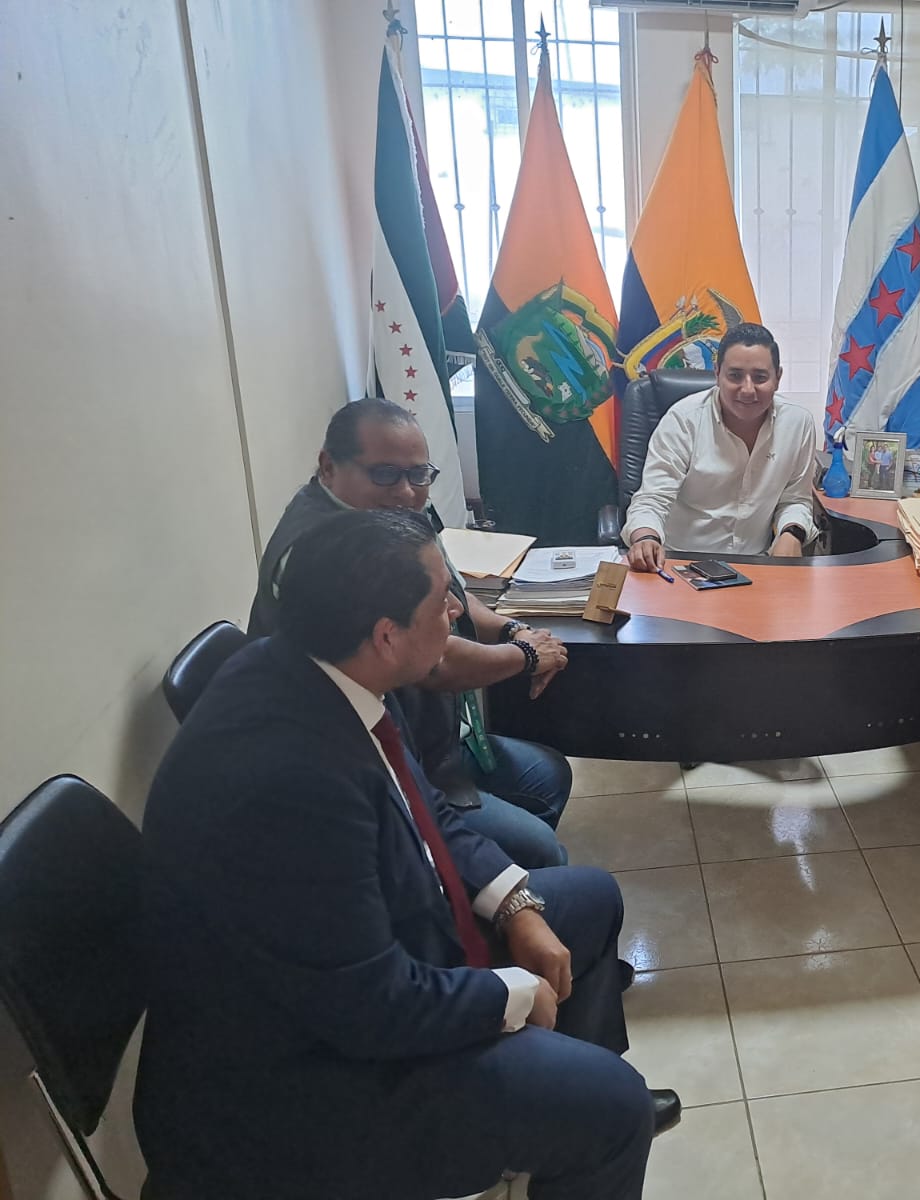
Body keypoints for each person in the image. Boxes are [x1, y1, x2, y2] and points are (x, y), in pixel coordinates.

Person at [136, 510, 679, 1200]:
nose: (455, 608)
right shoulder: (291, 785)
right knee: (613, 1109)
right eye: (440, 599)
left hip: (365, 967)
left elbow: (429, 816)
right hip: (301, 1089)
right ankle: (579, 1112)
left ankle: (557, 1106)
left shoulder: (322, 670)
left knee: (589, 898)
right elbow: (373, 1006)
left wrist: (517, 906)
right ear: (387, 634)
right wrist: (511, 993)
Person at [249, 399, 572, 870]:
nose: (405, 491)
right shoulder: (328, 552)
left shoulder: (392, 511)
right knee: (541, 848)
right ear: (328, 466)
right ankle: (465, 888)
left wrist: (511, 627)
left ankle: (479, 883)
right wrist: (525, 654)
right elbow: (434, 665)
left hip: (432, 735)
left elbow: (453, 593)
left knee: (548, 776)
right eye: (384, 474)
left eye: (419, 475)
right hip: (378, 763)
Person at [623, 323, 818, 571]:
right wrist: (646, 538)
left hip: (756, 564)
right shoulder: (683, 419)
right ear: (717, 373)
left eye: (760, 377)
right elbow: (653, 498)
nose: (747, 389)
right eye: (735, 376)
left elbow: (796, 499)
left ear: (778, 378)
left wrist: (791, 533)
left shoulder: (798, 424)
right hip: (681, 562)